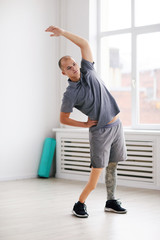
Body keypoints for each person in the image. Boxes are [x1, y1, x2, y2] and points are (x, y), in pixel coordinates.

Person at [45, 25, 127, 218]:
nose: (74, 68)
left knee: (113, 166)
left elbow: (84, 44)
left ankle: (111, 201)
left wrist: (63, 33)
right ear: (64, 73)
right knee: (95, 175)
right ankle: (79, 204)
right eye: (68, 67)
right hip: (100, 132)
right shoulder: (70, 94)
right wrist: (83, 125)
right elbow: (63, 118)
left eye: (73, 63)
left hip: (117, 126)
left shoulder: (88, 70)